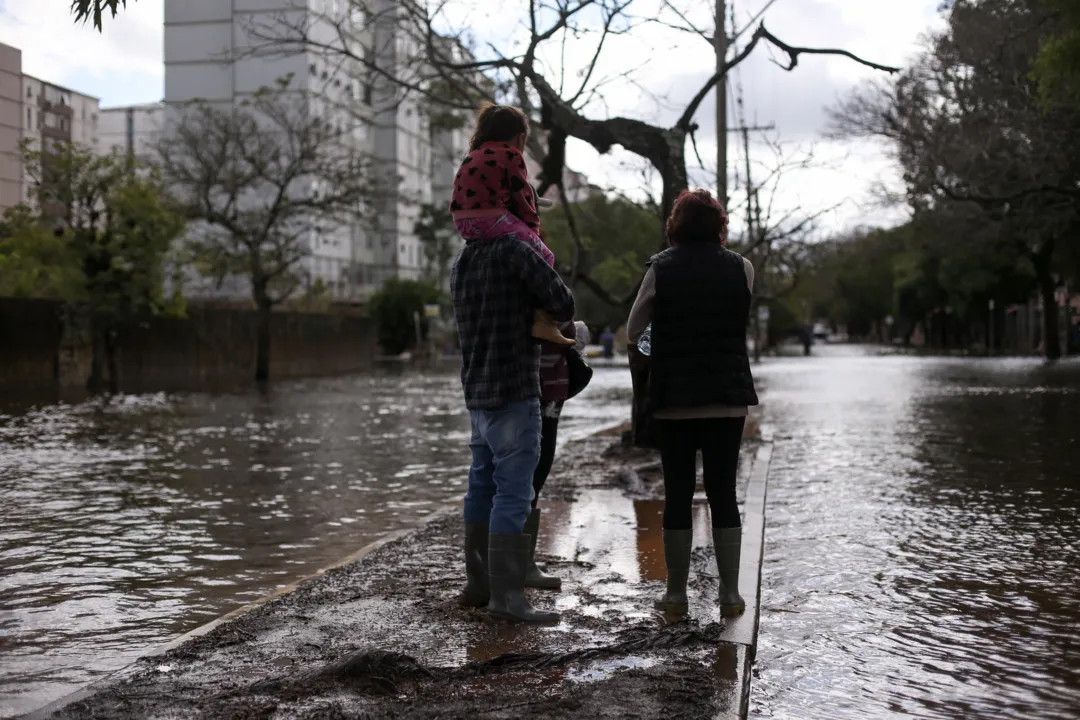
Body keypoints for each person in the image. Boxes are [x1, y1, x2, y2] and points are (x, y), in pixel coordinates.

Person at [626, 188, 759, 617]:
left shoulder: (660, 269)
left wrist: (659, 345)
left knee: (679, 492)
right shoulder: (743, 268)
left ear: (675, 226)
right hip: (727, 399)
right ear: (720, 226)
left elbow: (634, 330)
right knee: (724, 493)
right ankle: (730, 594)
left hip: (674, 400)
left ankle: (676, 593)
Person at [451, 204, 575, 624]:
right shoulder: (517, 251)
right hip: (515, 389)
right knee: (514, 491)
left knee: (481, 485)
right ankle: (507, 598)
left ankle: (479, 585)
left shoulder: (463, 257)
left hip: (476, 391)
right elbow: (563, 302)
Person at [449, 101, 573, 347]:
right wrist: (532, 231)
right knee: (544, 255)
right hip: (491, 218)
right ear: (520, 137)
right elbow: (522, 196)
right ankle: (543, 322)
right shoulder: (510, 155)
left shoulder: (471, 157)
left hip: (464, 224)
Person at [526, 312, 591, 591]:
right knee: (533, 475)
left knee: (517, 476)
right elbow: (564, 329)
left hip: (527, 391)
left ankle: (504, 563)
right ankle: (520, 563)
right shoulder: (537, 282)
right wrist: (576, 332)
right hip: (541, 393)